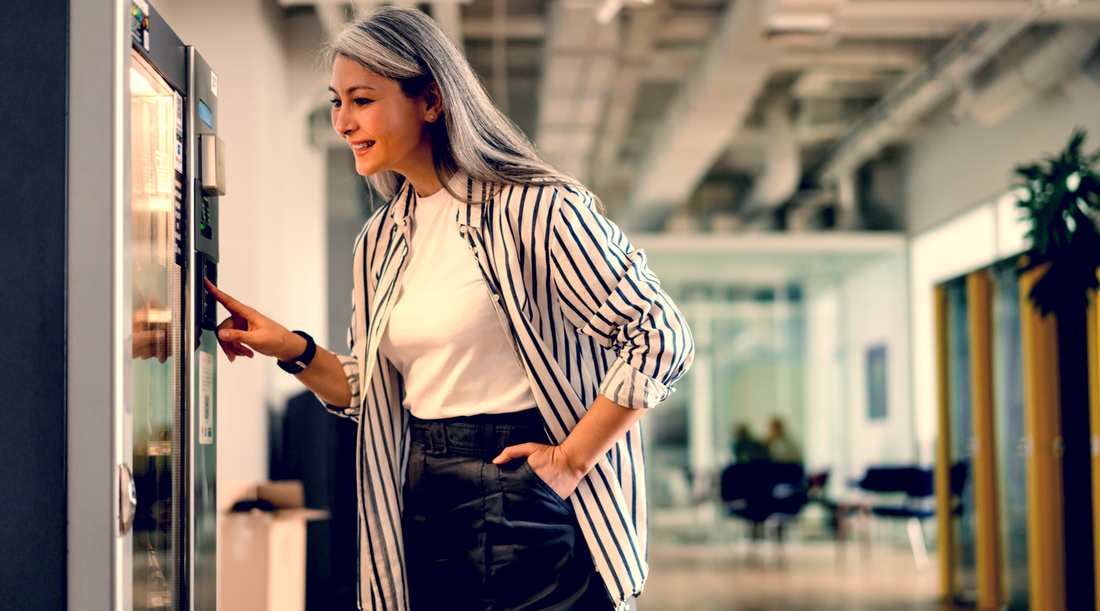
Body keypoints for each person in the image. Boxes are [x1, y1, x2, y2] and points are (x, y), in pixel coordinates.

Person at [207, 7, 693, 611]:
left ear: (431, 100)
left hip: (524, 491)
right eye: (336, 102)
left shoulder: (537, 210)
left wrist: (571, 459)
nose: (342, 122)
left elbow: (659, 335)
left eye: (361, 99)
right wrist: (294, 350)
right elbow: (380, 393)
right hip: (422, 490)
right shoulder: (381, 240)